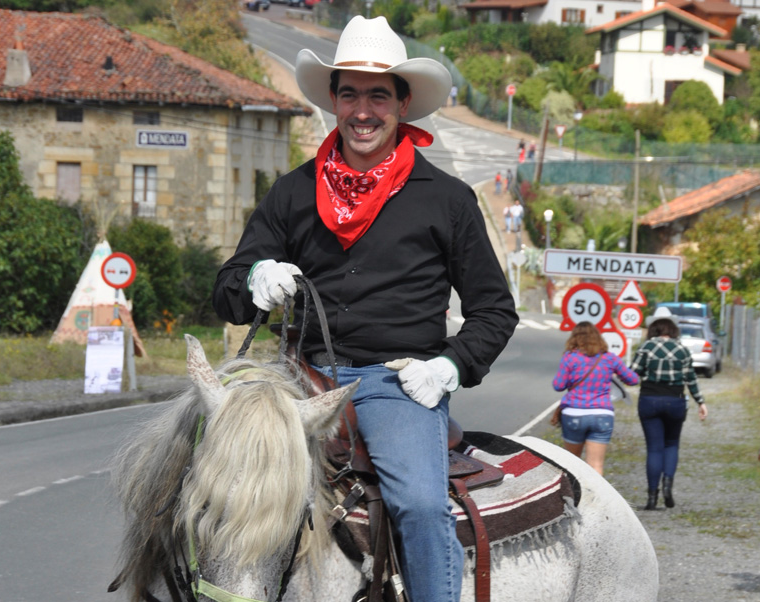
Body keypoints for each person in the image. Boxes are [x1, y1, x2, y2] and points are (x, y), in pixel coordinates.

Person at [211, 16, 518, 602]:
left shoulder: (448, 200)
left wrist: (448, 367)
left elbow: (493, 312)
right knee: (212, 480)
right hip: (296, 377)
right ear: (333, 100)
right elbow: (226, 289)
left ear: (403, 104)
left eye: (378, 94)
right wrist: (256, 276)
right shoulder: (292, 192)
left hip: (396, 382)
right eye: (349, 93)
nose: (362, 110)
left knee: (423, 507)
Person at [631, 308, 708, 510]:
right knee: (672, 444)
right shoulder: (681, 349)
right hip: (675, 401)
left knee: (654, 449)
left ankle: (651, 497)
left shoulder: (646, 347)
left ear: (653, 328)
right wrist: (701, 402)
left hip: (649, 400)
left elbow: (633, 374)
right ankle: (667, 487)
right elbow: (690, 378)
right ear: (673, 329)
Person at [550, 322, 638, 475]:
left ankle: (574, 497)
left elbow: (558, 385)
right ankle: (596, 498)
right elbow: (633, 380)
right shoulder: (609, 358)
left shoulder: (570, 357)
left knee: (571, 464)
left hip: (574, 414)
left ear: (575, 338)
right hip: (602, 414)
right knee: (596, 466)